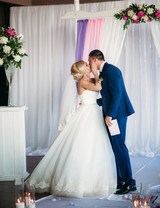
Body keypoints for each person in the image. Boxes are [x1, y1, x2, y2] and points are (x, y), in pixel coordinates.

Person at [25, 60, 117, 198]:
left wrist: (97, 73)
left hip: (93, 112)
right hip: (86, 113)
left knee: (95, 145)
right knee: (81, 145)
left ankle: (94, 180)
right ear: (82, 70)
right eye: (87, 65)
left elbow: (101, 83)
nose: (89, 66)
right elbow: (99, 86)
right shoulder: (82, 82)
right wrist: (96, 72)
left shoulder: (89, 79)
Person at [88, 49, 136, 195]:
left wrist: (110, 115)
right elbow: (108, 96)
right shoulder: (104, 73)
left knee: (119, 147)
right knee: (115, 147)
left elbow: (117, 95)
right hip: (112, 114)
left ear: (95, 60)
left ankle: (129, 183)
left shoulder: (112, 71)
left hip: (116, 115)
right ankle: (120, 180)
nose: (89, 64)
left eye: (89, 61)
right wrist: (92, 102)